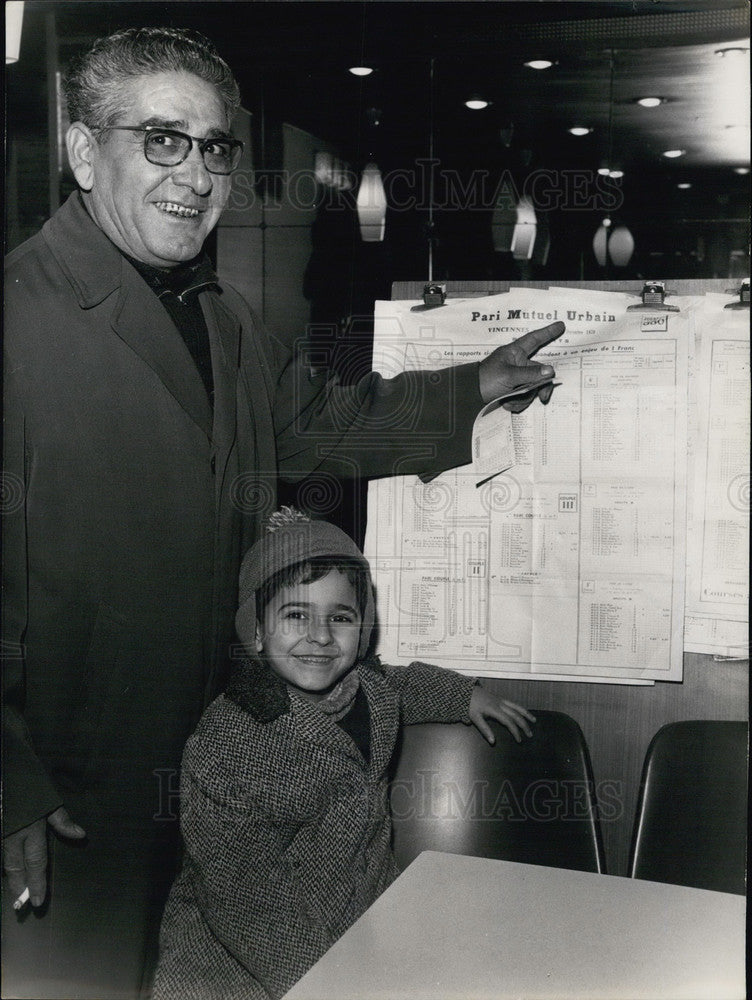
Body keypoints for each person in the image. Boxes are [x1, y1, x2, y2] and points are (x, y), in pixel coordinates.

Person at [2, 25, 562, 1000]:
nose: (196, 173)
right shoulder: (22, 319)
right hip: (62, 808)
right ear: (84, 151)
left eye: (215, 146)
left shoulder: (223, 323)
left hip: (207, 779)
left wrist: (474, 387)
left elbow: (330, 425)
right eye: (161, 139)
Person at [152, 508, 535, 1000]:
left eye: (341, 617)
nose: (320, 636)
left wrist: (465, 696)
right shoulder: (224, 743)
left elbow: (405, 685)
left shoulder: (370, 689)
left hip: (361, 916)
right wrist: (323, 984)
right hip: (240, 959)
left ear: (362, 629)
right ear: (257, 631)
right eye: (296, 616)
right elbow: (243, 898)